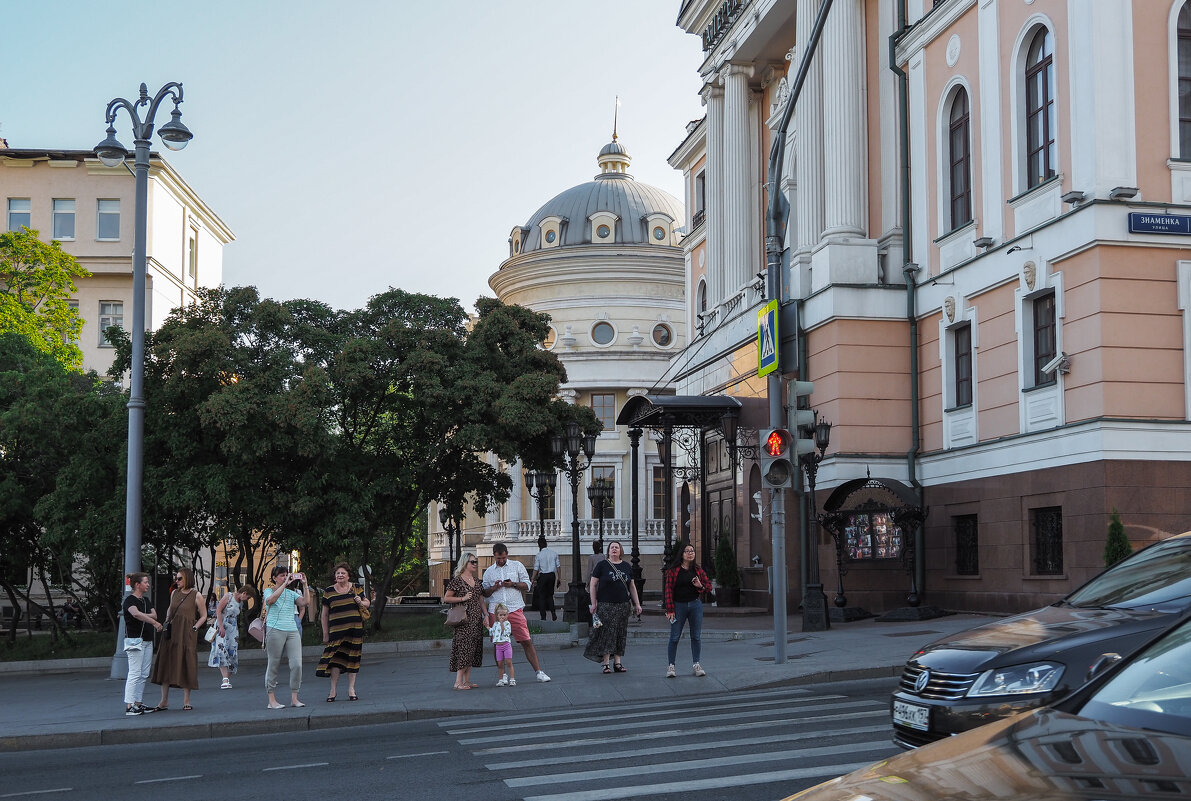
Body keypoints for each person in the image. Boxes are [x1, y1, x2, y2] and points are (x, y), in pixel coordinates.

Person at [482, 542, 551, 682]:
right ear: (494, 556)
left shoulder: (517, 566)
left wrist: (513, 584)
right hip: (496, 611)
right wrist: (494, 588)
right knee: (498, 643)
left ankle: (539, 672)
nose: (501, 561)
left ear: (507, 554)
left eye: (503, 558)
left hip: (514, 609)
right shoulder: (489, 571)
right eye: (498, 558)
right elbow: (485, 593)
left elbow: (527, 585)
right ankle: (503, 676)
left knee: (526, 640)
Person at [149, 567, 207, 711]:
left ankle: (186, 700)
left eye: (179, 578)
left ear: (187, 578)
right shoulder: (174, 592)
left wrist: (195, 628)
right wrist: (166, 622)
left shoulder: (196, 595)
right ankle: (164, 700)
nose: (177, 581)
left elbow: (204, 615)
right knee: (166, 662)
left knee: (186, 662)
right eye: (176, 578)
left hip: (187, 633)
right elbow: (170, 609)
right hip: (171, 632)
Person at [584, 540, 642, 673]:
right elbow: (593, 585)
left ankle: (617, 662)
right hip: (605, 605)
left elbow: (632, 586)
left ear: (621, 551)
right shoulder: (602, 565)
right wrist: (594, 603)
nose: (614, 549)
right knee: (606, 633)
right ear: (608, 551)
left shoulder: (627, 566)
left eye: (617, 547)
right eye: (612, 548)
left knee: (620, 633)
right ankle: (605, 664)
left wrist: (637, 604)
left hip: (623, 605)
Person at [316, 562, 370, 701]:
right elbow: (324, 615)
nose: (340, 575)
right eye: (338, 573)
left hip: (355, 630)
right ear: (335, 576)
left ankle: (351, 689)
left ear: (348, 576)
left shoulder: (357, 588)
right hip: (336, 632)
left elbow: (367, 603)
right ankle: (333, 690)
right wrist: (325, 633)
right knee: (335, 660)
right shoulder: (329, 591)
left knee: (353, 658)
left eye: (343, 573)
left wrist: (360, 601)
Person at [663, 542, 712, 678]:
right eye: (687, 551)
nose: (690, 553)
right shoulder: (673, 571)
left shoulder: (697, 570)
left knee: (696, 636)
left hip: (695, 605)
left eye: (692, 551)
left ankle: (696, 664)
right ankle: (671, 666)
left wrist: (700, 585)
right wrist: (670, 610)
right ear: (682, 554)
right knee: (674, 637)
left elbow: (708, 588)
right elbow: (668, 591)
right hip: (678, 606)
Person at [263, 565, 308, 709]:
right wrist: (284, 585)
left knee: (297, 664)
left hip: (292, 629)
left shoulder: (291, 593)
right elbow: (270, 601)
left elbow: (305, 602)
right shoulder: (268, 591)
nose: (285, 577)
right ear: (274, 578)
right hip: (275, 629)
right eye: (281, 575)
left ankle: (295, 698)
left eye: (286, 575)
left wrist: (305, 585)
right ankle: (271, 699)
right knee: (273, 664)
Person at [122, 573, 163, 715]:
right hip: (134, 641)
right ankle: (129, 706)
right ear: (137, 585)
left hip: (147, 640)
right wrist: (153, 621)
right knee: (134, 672)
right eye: (145, 582)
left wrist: (145, 615)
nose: (148, 584)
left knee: (144, 673)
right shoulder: (129, 600)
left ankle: (138, 703)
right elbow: (136, 614)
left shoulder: (145, 600)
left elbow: (154, 614)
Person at [443, 551, 484, 690]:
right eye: (472, 562)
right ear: (465, 563)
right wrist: (463, 598)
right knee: (464, 649)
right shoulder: (457, 580)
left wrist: (486, 615)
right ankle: (457, 682)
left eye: (476, 562)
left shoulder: (477, 581)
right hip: (464, 620)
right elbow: (446, 598)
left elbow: (480, 599)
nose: (475, 564)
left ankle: (466, 681)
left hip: (476, 620)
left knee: (472, 649)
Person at [208, 584, 256, 689]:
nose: (247, 599)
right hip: (222, 624)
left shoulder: (241, 603)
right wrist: (220, 626)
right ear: (244, 593)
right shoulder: (228, 596)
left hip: (232, 628)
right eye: (247, 597)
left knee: (231, 651)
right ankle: (225, 679)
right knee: (221, 649)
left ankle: (226, 678)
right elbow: (219, 610)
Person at [530, 535, 560, 622]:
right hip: (552, 575)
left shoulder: (539, 555)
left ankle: (543, 616)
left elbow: (536, 568)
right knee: (550, 596)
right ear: (546, 544)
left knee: (542, 596)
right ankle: (553, 613)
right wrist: (559, 578)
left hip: (543, 576)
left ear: (539, 545)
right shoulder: (554, 553)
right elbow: (558, 566)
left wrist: (532, 579)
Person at [491, 603, 515, 686]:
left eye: (504, 615)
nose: (502, 617)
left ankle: (512, 679)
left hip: (506, 645)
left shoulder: (507, 623)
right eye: (500, 615)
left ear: (507, 615)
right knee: (500, 664)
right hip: (498, 646)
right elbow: (492, 632)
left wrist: (502, 624)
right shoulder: (495, 624)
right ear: (497, 615)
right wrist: (487, 627)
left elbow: (505, 633)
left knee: (509, 662)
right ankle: (501, 679)